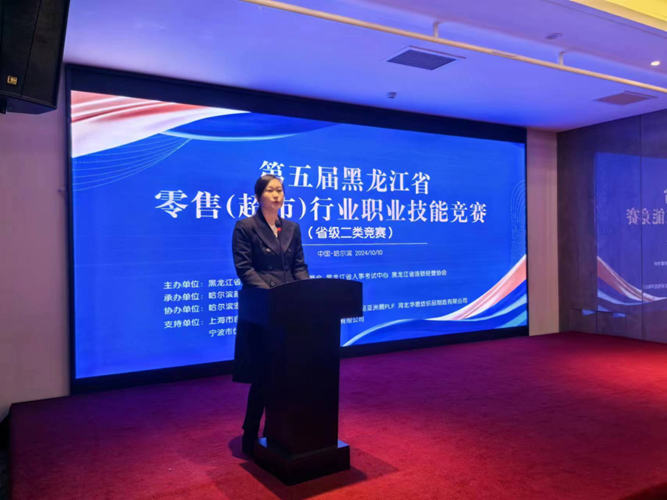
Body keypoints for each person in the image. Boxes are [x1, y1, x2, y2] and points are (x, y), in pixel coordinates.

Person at [231, 174, 310, 457]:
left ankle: (277, 430)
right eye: (270, 190)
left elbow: (299, 266)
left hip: (290, 311)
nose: (277, 195)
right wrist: (273, 296)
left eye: (280, 190)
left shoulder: (292, 228)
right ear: (258, 196)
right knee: (264, 374)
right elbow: (245, 269)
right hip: (263, 309)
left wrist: (306, 291)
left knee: (288, 373)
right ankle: (250, 432)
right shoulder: (245, 227)